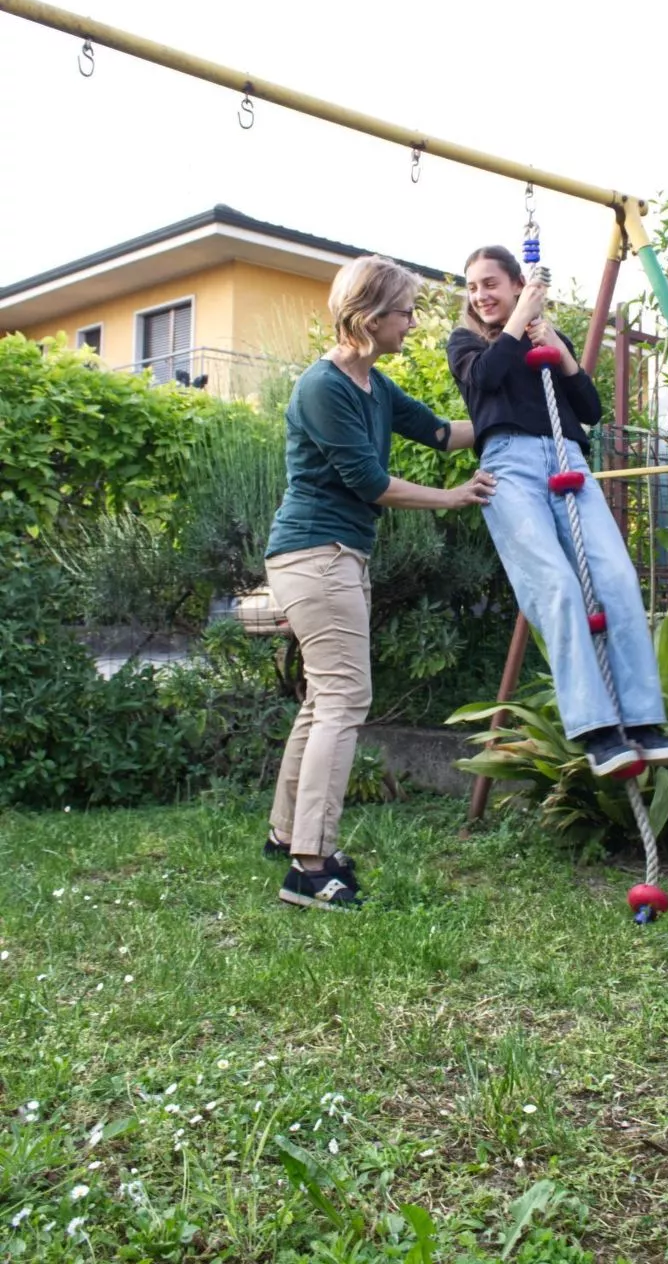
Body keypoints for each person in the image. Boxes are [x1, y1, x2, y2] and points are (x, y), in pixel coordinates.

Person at [264, 255, 495, 910]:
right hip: (315, 554)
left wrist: (518, 422)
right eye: (405, 311)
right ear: (368, 316)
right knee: (344, 700)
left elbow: (444, 434)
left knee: (323, 701)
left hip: (339, 555)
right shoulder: (324, 386)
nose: (414, 324)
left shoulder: (375, 386)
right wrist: (453, 500)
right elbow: (370, 482)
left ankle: (287, 835)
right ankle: (310, 866)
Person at [446, 245, 668, 776]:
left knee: (617, 577)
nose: (481, 295)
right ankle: (598, 731)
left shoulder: (542, 337)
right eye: (473, 287)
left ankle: (644, 721)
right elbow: (485, 380)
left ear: (515, 283)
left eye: (491, 284)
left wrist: (560, 349)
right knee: (555, 585)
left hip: (566, 455)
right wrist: (521, 319)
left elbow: (591, 411)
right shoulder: (465, 342)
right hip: (508, 466)